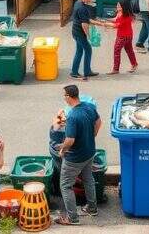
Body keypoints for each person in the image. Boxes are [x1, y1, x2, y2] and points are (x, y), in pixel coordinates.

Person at [56, 85, 101, 226]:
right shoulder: (89, 106)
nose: (63, 98)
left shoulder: (72, 116)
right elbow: (99, 122)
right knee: (88, 179)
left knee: (65, 185)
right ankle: (92, 208)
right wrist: (92, 136)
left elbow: (70, 140)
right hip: (89, 152)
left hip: (75, 158)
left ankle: (72, 218)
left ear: (69, 97)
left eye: (64, 95)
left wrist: (62, 149)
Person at [70, 0, 111, 80]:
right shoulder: (82, 8)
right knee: (88, 50)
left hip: (76, 31)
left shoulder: (79, 2)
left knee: (79, 51)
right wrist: (89, 36)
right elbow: (85, 24)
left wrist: (101, 23)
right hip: (80, 33)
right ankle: (86, 71)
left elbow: (88, 19)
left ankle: (75, 71)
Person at [109, 0, 138, 74]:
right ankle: (134, 64)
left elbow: (116, 25)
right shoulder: (121, 13)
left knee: (116, 51)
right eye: (117, 5)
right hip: (128, 35)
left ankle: (116, 69)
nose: (117, 7)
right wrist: (106, 20)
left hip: (123, 37)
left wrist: (104, 24)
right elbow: (115, 19)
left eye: (119, 6)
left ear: (124, 7)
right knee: (129, 50)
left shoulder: (125, 16)